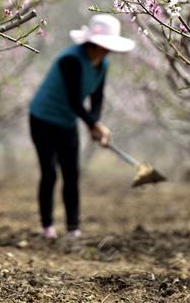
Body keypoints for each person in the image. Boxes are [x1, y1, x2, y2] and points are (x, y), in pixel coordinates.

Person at [28, 14, 135, 239]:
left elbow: (97, 97)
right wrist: (95, 125)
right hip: (43, 119)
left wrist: (94, 124)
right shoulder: (71, 60)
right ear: (94, 43)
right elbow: (74, 101)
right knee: (49, 173)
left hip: (66, 122)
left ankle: (73, 228)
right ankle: (47, 226)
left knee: (71, 174)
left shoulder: (102, 64)